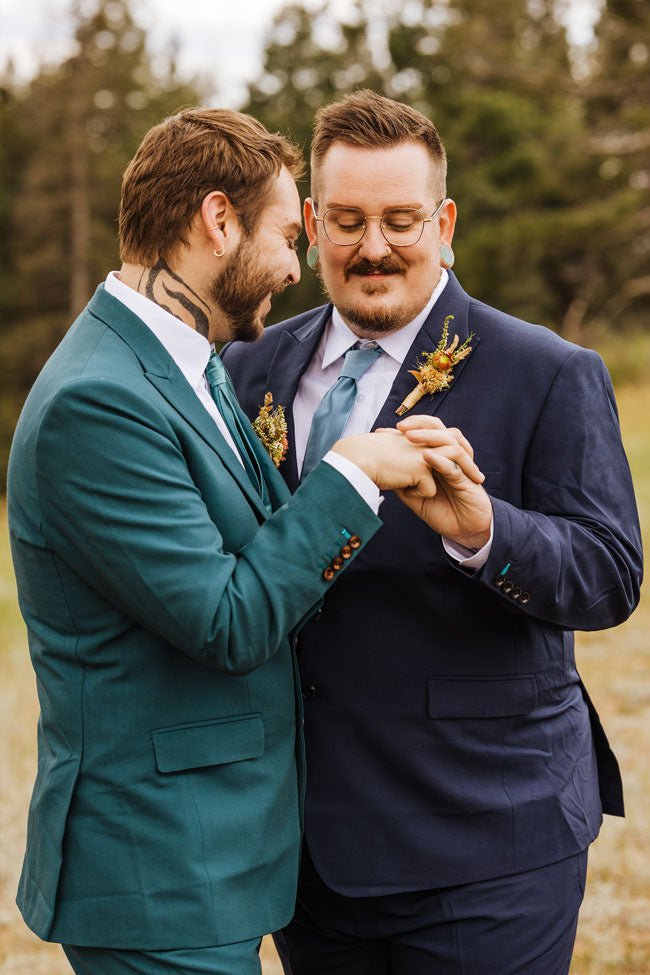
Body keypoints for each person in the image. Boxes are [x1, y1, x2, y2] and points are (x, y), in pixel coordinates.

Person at [6, 107, 480, 975]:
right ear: (218, 222)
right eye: (279, 233)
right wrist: (356, 470)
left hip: (215, 861)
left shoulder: (191, 363)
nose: (296, 265)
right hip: (157, 869)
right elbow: (227, 620)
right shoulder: (98, 401)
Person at [222, 90, 644, 975]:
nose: (373, 247)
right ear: (309, 223)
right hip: (309, 849)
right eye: (346, 221)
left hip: (491, 843)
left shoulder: (548, 372)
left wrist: (487, 531)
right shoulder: (247, 368)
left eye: (400, 220)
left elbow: (609, 574)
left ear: (444, 221)